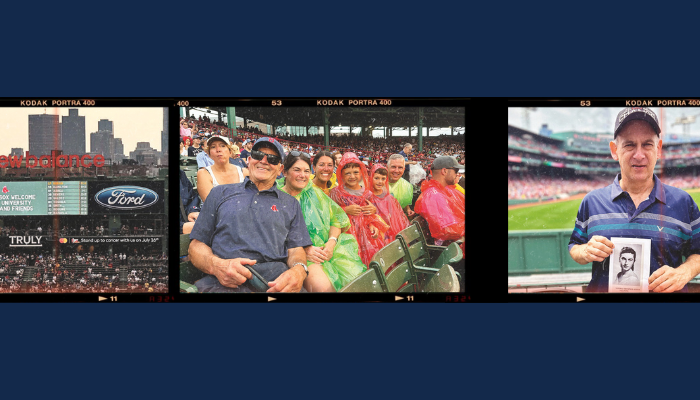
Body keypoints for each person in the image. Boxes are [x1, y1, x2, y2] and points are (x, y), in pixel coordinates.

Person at [569, 107, 700, 293]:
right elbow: (574, 246)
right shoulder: (592, 201)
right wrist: (584, 251)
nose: (639, 155)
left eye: (647, 144)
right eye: (629, 145)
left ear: (658, 149)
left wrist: (684, 272)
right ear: (614, 150)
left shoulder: (683, 202)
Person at [188, 137, 313, 293]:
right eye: (258, 155)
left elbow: (295, 249)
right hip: (225, 281)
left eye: (272, 159)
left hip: (274, 283)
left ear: (280, 169)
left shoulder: (291, 204)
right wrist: (216, 266)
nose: (264, 161)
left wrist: (299, 270)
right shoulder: (220, 193)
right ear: (248, 159)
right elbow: (196, 246)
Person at [278, 152, 366, 292]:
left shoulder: (314, 193)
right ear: (285, 172)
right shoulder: (275, 198)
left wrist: (331, 243)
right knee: (323, 288)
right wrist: (303, 251)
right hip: (301, 257)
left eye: (306, 171)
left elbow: (336, 220)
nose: (302, 175)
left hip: (329, 251)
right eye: (297, 170)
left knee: (358, 282)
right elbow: (273, 237)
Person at [329, 152, 389, 266]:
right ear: (341, 174)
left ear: (361, 172)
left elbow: (369, 215)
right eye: (347, 173)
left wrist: (373, 225)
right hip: (345, 235)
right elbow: (330, 214)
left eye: (356, 172)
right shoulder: (336, 193)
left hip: (367, 237)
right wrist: (345, 210)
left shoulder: (367, 194)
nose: (352, 176)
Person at [414, 156, 465, 252]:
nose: (457, 174)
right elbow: (448, 230)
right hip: (449, 251)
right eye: (455, 170)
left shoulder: (445, 190)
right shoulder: (433, 195)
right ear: (444, 171)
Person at [196, 135, 249, 203]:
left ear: (230, 152)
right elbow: (211, 204)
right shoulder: (204, 174)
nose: (218, 150)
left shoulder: (244, 172)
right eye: (213, 147)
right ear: (209, 154)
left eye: (223, 146)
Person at [369, 164, 409, 242]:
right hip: (375, 231)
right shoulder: (368, 196)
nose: (380, 182)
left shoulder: (389, 198)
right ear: (371, 178)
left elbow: (396, 218)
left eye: (383, 179)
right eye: (376, 178)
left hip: (389, 230)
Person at [179, 169, 200, 234]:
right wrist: (181, 228)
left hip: (189, 226)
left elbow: (192, 197)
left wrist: (192, 211)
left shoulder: (181, 174)